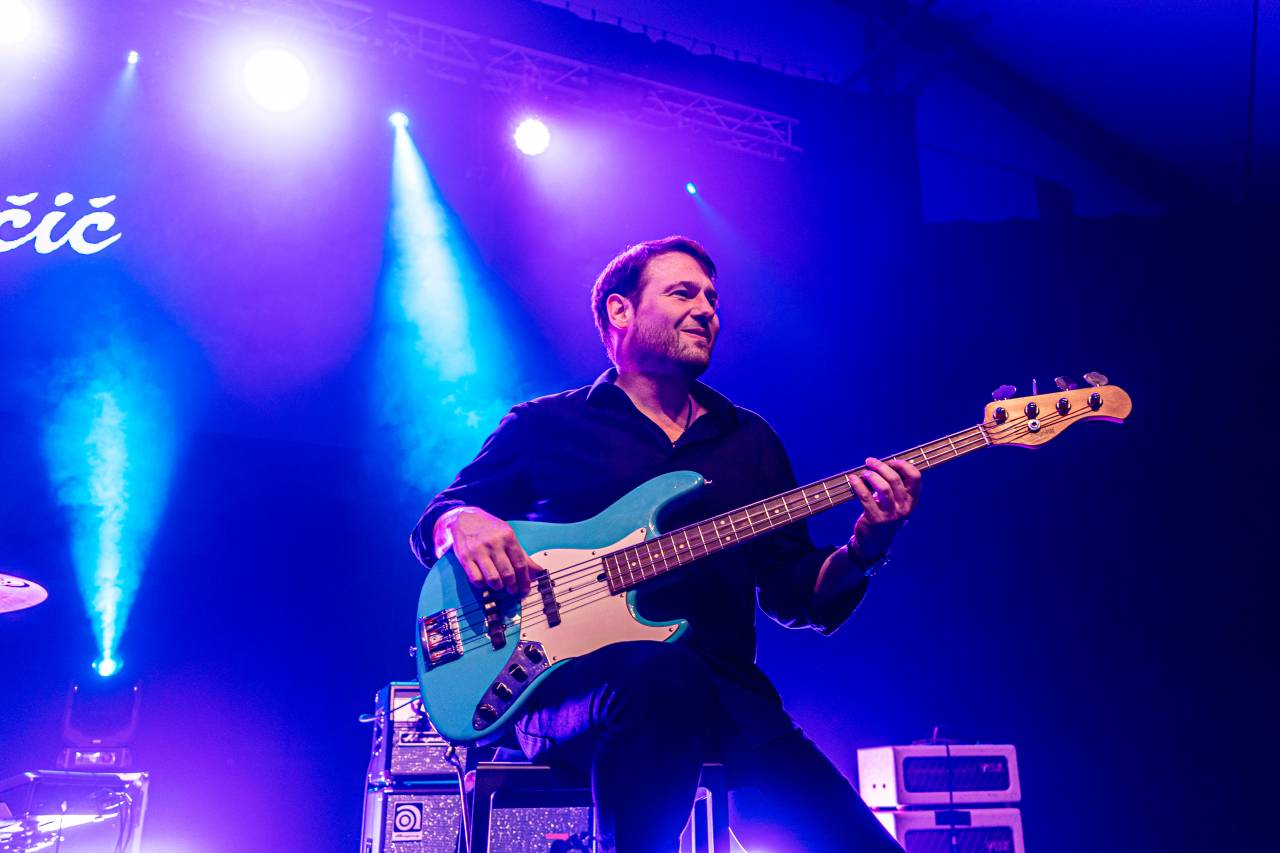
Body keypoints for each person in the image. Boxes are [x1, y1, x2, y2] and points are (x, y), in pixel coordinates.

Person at [411, 236, 920, 852]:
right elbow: (439, 517)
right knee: (659, 672)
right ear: (620, 311)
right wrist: (461, 521)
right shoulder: (543, 426)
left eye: (712, 299)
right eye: (683, 293)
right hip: (562, 691)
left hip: (728, 698)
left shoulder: (750, 441)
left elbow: (794, 594)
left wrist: (865, 548)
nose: (706, 309)